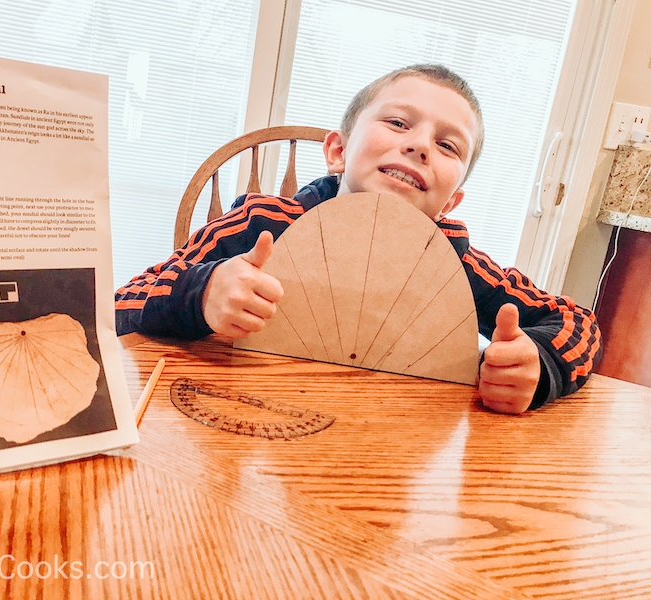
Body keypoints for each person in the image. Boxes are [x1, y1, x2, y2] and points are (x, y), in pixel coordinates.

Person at [114, 64, 601, 415]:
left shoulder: (456, 262)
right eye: (398, 123)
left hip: (385, 444)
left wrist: (538, 367)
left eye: (448, 144)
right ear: (338, 151)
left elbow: (578, 322)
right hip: (243, 419)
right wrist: (202, 292)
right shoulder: (258, 223)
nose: (419, 144)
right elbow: (120, 303)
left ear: (451, 202)